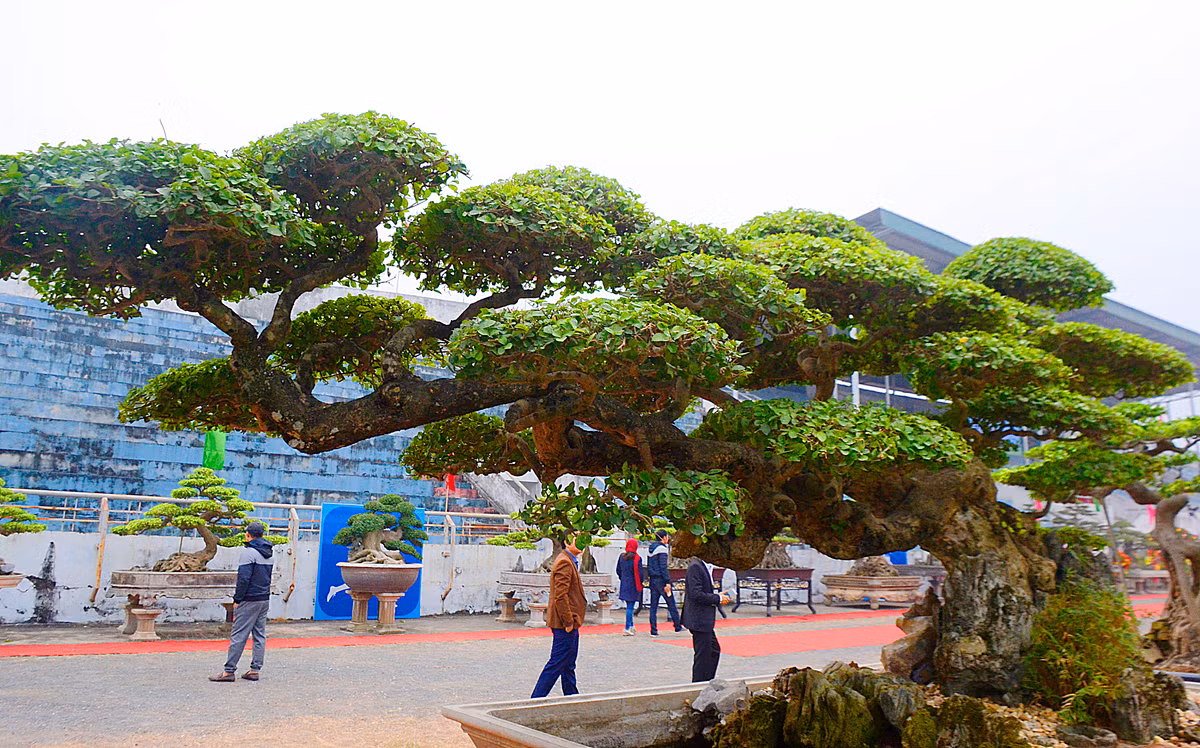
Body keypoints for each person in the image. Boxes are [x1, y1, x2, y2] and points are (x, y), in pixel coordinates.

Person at [210, 521, 274, 682]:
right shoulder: (270, 553)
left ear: (247, 535)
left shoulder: (248, 552)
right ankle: (255, 669)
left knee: (239, 634)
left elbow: (244, 579)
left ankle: (229, 671)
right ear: (263, 535)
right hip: (264, 598)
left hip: (249, 599)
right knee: (259, 634)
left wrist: (237, 599)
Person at [531, 535, 587, 698]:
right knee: (556, 663)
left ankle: (571, 696)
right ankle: (536, 699)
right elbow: (560, 596)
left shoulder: (569, 560)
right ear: (567, 542)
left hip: (570, 622)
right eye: (578, 539)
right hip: (565, 623)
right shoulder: (564, 562)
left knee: (568, 663)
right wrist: (568, 621)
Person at [681, 556, 730, 682]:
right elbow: (696, 594)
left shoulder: (704, 566)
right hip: (698, 619)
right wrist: (717, 599)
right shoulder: (695, 567)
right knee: (703, 656)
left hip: (703, 619)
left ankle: (707, 681)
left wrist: (717, 596)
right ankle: (698, 685)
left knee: (713, 651)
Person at [646, 529, 682, 636]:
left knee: (653, 606)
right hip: (661, 580)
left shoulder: (650, 548)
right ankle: (677, 626)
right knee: (671, 603)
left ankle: (653, 630)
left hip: (653, 580)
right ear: (663, 538)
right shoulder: (662, 549)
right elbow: (663, 567)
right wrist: (667, 582)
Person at [615, 538, 646, 635]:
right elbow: (640, 574)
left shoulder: (622, 557)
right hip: (634, 584)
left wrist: (622, 578)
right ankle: (627, 628)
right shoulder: (638, 559)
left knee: (629, 605)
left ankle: (632, 626)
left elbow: (618, 570)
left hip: (624, 583)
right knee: (630, 607)